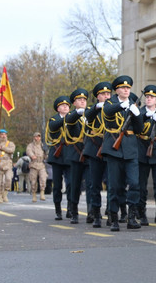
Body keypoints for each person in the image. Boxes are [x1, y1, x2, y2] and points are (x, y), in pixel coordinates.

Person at [101, 75, 143, 231]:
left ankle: (132, 217)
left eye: (128, 88)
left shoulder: (133, 105)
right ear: (117, 90)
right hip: (114, 150)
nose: (126, 90)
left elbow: (139, 129)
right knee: (115, 186)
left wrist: (137, 115)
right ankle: (114, 218)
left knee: (134, 183)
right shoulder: (110, 103)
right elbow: (108, 112)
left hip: (130, 149)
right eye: (123, 88)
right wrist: (123, 106)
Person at [136, 84, 156, 225]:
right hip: (142, 150)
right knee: (141, 185)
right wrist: (143, 117)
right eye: (147, 97)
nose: (148, 99)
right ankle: (141, 213)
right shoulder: (139, 112)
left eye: (152, 97)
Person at [84, 81, 112, 228]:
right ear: (97, 96)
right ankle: (95, 213)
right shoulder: (92, 110)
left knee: (111, 184)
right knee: (94, 184)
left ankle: (111, 211)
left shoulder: (113, 109)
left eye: (108, 94)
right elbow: (87, 116)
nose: (106, 96)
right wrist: (96, 108)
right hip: (95, 149)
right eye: (103, 94)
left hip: (110, 149)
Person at [65, 88, 93, 224]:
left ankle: (91, 212)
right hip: (76, 154)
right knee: (74, 185)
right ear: (74, 103)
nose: (82, 101)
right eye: (79, 100)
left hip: (88, 153)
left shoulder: (90, 115)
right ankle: (74, 211)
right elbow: (69, 123)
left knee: (90, 185)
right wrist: (77, 114)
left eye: (84, 100)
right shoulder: (70, 116)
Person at [46, 96, 73, 220]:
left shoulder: (73, 119)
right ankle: (58, 210)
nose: (65, 107)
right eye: (62, 106)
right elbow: (54, 127)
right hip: (57, 155)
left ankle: (70, 209)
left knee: (71, 184)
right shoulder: (54, 119)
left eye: (67, 106)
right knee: (57, 185)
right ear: (58, 108)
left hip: (69, 155)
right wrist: (67, 119)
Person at [26, 132, 47, 202]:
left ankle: (42, 193)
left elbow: (46, 154)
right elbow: (28, 151)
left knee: (43, 178)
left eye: (38, 137)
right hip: (33, 164)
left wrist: (47, 153)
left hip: (41, 164)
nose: (37, 138)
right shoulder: (30, 145)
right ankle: (34, 195)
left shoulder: (43, 145)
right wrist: (32, 155)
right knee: (33, 181)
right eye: (36, 137)